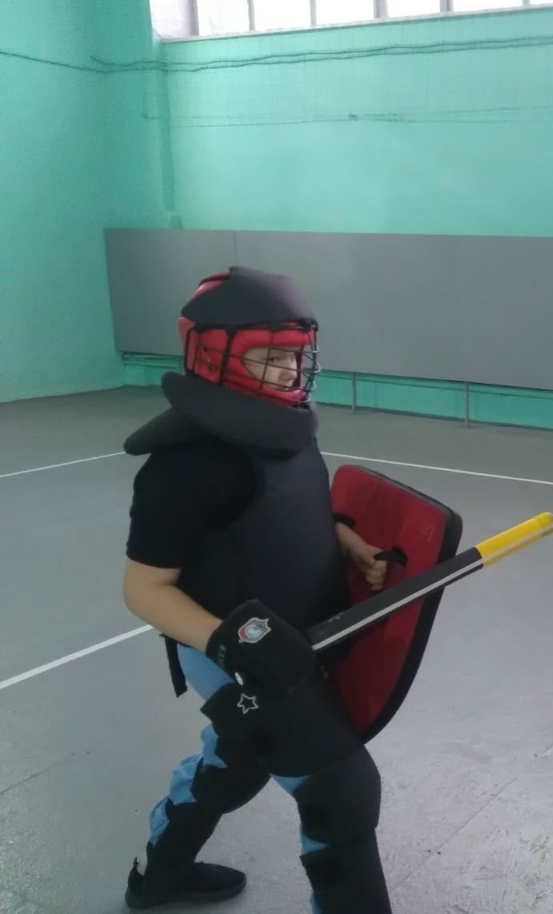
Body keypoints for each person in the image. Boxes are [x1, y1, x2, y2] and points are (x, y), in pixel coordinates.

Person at [119, 266, 396, 912]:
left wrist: (347, 542)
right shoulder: (184, 465)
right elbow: (144, 588)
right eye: (270, 356)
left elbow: (284, 514)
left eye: (296, 356)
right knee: (339, 791)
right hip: (231, 648)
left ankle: (159, 877)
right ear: (211, 354)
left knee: (236, 762)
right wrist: (231, 643)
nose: (290, 371)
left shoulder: (285, 427)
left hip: (294, 639)